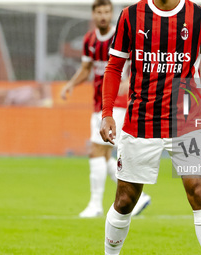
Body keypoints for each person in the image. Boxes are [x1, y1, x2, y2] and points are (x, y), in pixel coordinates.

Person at [100, 0, 201, 254]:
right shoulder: (130, 16)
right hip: (141, 123)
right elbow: (114, 67)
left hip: (185, 123)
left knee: (198, 191)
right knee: (124, 201)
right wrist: (107, 113)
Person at [60, 0, 151, 218]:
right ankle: (138, 198)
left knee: (96, 151)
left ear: (111, 14)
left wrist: (129, 81)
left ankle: (95, 205)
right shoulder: (89, 39)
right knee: (104, 155)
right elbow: (86, 69)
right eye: (99, 12)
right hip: (98, 104)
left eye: (107, 12)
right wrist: (71, 85)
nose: (103, 16)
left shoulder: (121, 35)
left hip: (118, 103)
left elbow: (139, 62)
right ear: (93, 14)